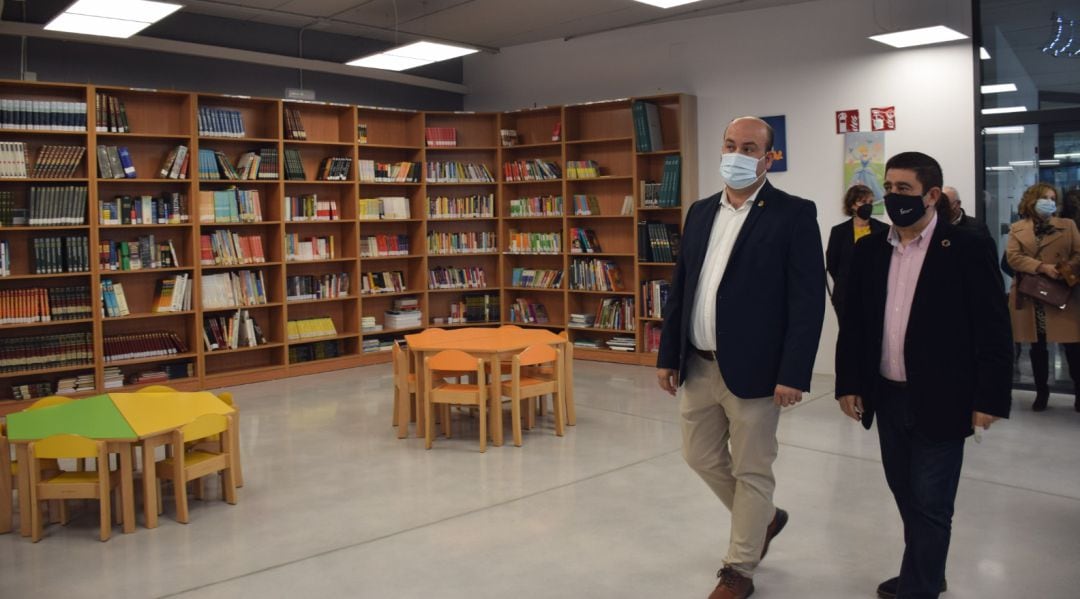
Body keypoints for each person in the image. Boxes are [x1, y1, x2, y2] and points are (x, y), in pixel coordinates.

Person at [656, 116, 825, 599]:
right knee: (699, 455)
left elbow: (807, 300)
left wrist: (794, 372)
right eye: (730, 144)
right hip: (699, 363)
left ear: (770, 157)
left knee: (752, 469)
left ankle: (739, 570)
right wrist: (669, 355)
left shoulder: (793, 214)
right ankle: (765, 518)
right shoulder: (701, 211)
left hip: (757, 370)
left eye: (749, 147)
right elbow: (682, 287)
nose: (737, 154)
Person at [835, 152, 1012, 599]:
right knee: (905, 493)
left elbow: (993, 326)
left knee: (931, 502)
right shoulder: (869, 249)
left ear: (931, 195)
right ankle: (926, 570)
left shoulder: (966, 246)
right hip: (888, 396)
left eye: (904, 190)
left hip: (943, 396)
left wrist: (989, 398)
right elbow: (854, 323)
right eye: (889, 189)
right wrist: (849, 383)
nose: (894, 198)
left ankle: (920, 586)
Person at [1005, 182, 1080, 412]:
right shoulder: (1018, 228)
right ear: (1032, 200)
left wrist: (1064, 268)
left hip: (1062, 291)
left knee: (1072, 345)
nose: (1049, 202)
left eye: (1052, 198)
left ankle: (1078, 392)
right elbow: (1012, 258)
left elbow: (1079, 252)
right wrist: (1041, 267)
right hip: (1031, 294)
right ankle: (1041, 392)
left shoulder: (1067, 225)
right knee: (1037, 347)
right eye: (1045, 197)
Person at [826, 184, 888, 318]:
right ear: (852, 205)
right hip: (846, 294)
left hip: (875, 293)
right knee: (848, 335)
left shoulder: (884, 229)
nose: (868, 205)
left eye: (871, 202)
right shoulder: (839, 231)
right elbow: (832, 263)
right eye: (863, 202)